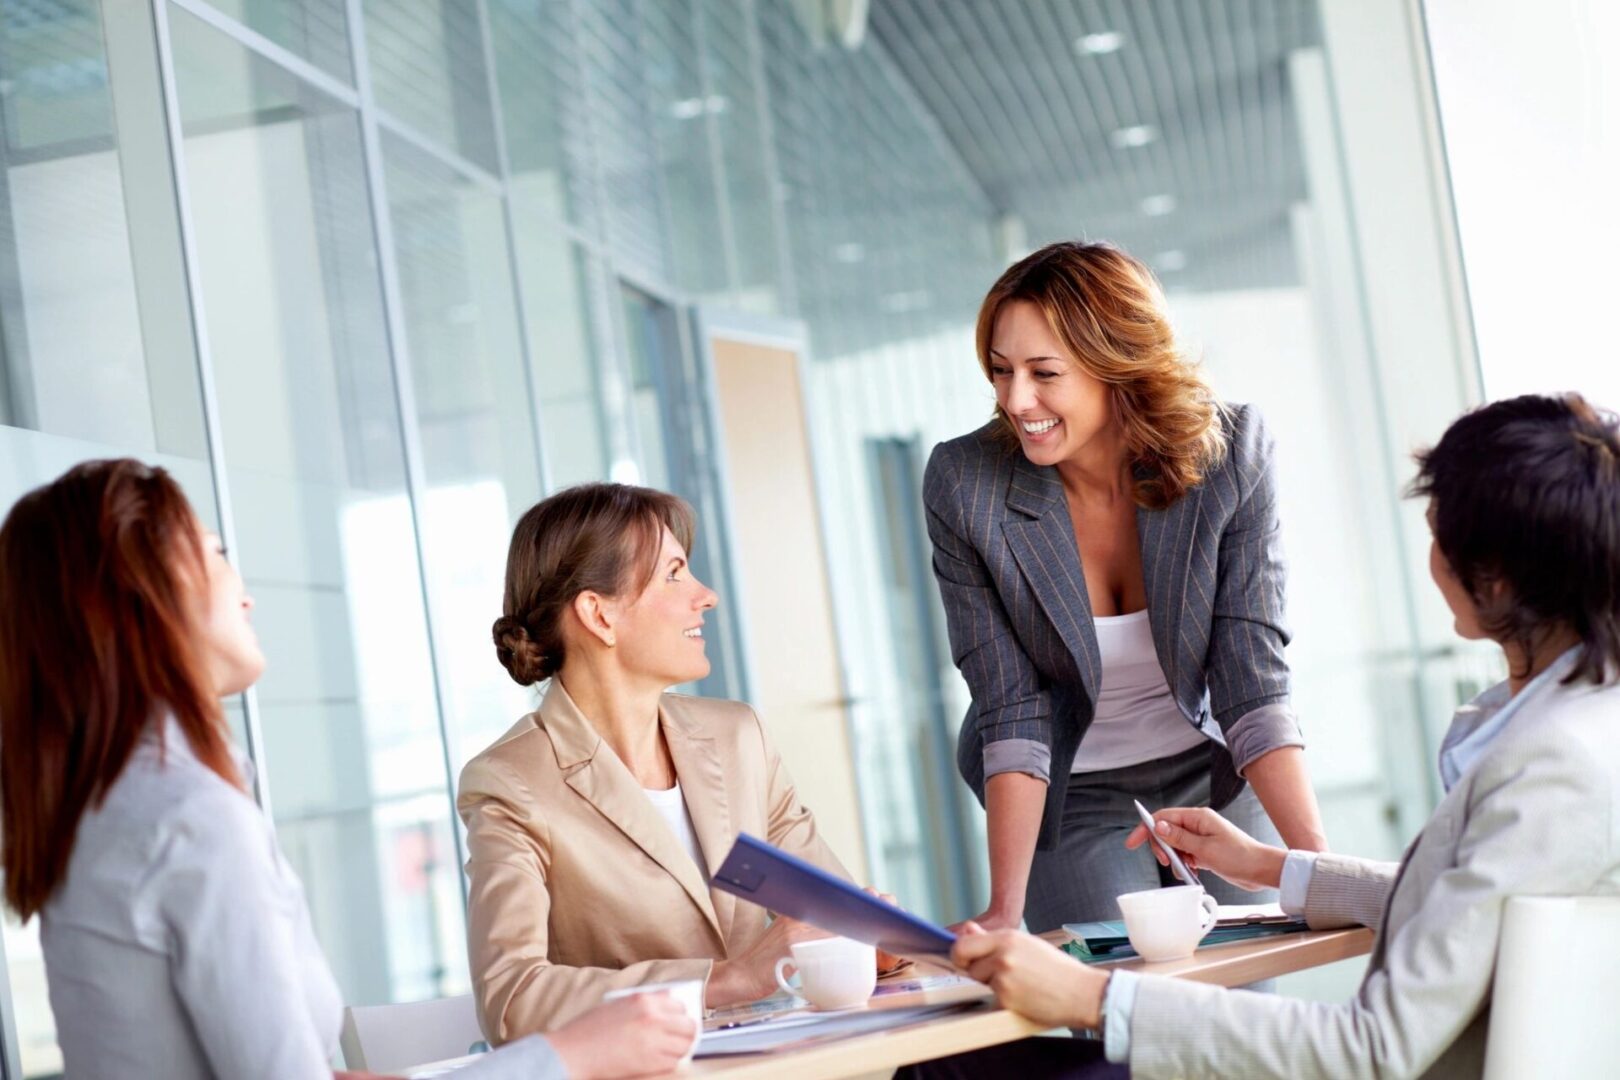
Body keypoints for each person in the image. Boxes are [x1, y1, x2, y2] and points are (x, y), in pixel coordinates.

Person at [940, 393, 1620, 1077]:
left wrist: (1094, 995)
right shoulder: (1585, 730)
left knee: (951, 1070)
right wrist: (1271, 867)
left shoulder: (1552, 767)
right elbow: (1468, 907)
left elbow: (1373, 1051)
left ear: (1492, 577)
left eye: (1438, 530)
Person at [0, 460, 697, 1080]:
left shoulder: (112, 806)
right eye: (216, 555)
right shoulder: (189, 819)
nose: (244, 593)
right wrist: (572, 1056)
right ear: (142, 594)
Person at [924, 240, 1327, 932]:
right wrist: (1004, 911)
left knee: (1239, 1012)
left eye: (1043, 373)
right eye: (1000, 371)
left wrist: (1320, 868)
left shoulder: (1230, 455)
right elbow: (1010, 703)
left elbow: (1250, 674)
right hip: (1072, 787)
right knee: (1121, 1007)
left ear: (1118, 366)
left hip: (1215, 773)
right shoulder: (967, 486)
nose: (1016, 400)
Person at [461, 483, 893, 1044]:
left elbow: (828, 917)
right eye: (674, 574)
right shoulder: (512, 784)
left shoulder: (739, 737)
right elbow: (512, 999)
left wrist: (874, 940)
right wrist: (729, 978)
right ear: (598, 615)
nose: (706, 595)